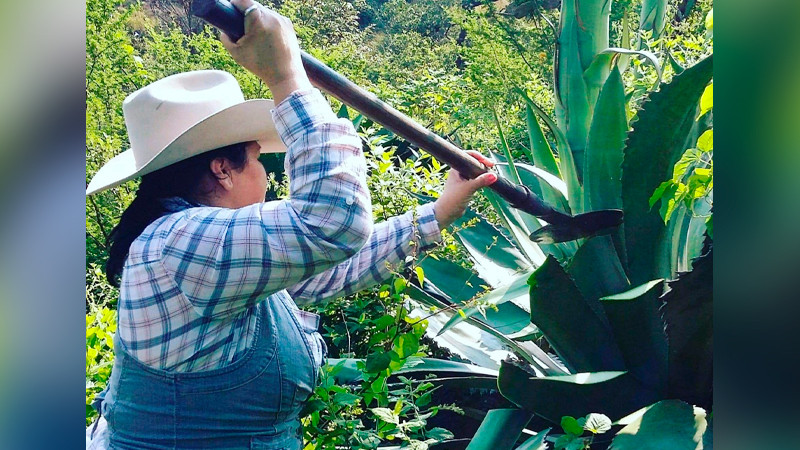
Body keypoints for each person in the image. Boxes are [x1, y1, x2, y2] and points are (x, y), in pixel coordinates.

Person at [85, 0, 497, 448]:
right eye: (257, 161)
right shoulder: (180, 244)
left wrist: (439, 213)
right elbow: (331, 222)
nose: (265, 177)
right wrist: (285, 77)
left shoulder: (207, 252)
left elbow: (332, 268)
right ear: (223, 169)